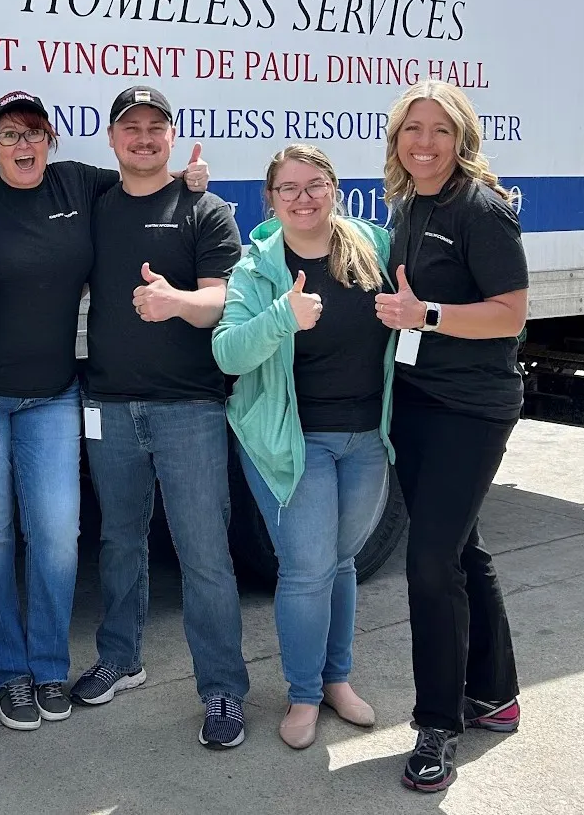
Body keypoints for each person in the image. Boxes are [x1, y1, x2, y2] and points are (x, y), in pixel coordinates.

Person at [0, 90, 207, 731]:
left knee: (58, 536)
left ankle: (47, 668)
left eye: (35, 132)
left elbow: (144, 178)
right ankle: (7, 674)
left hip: (55, 396)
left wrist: (188, 180)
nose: (24, 145)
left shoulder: (78, 183)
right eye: (10, 135)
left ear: (51, 141)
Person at [71, 85, 249, 750]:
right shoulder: (94, 205)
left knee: (204, 554)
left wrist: (176, 301)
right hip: (109, 404)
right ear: (111, 138)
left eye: (155, 127)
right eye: (131, 127)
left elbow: (222, 300)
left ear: (172, 136)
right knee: (119, 542)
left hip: (189, 407)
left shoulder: (204, 209)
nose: (143, 138)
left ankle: (223, 688)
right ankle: (121, 658)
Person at [374, 80, 529, 793]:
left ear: (461, 137)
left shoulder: (479, 208)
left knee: (429, 562)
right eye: (413, 129)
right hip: (416, 402)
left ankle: (437, 724)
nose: (425, 142)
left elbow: (510, 313)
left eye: (439, 130)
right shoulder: (409, 204)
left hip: (471, 408)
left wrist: (427, 315)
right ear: (397, 139)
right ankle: (495, 693)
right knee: (461, 548)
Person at [212, 144, 394, 750]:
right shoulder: (256, 267)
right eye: (288, 188)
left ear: (334, 188)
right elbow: (227, 353)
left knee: (340, 562)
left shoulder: (373, 247)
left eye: (314, 184)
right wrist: (282, 317)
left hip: (367, 436)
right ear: (271, 199)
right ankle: (304, 694)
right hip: (292, 439)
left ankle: (336, 680)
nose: (303, 198)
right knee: (308, 568)